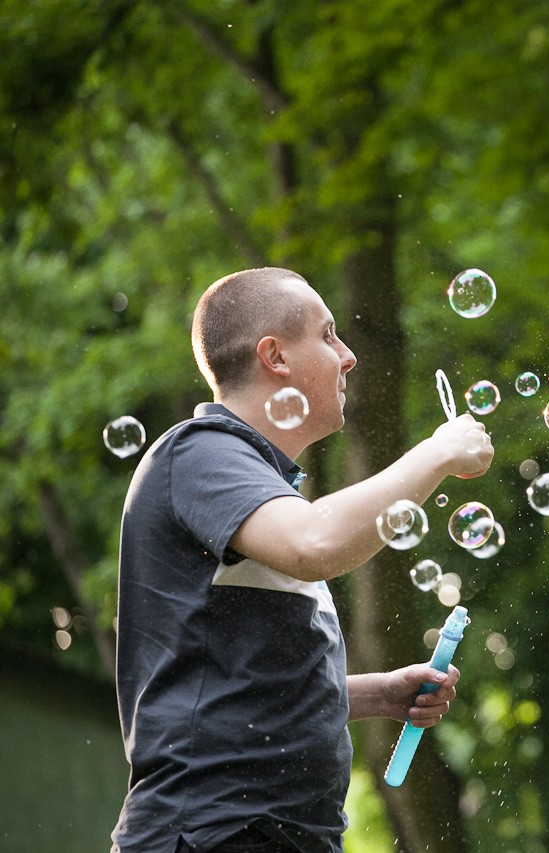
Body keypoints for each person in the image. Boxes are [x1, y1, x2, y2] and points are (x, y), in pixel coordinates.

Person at [112, 267, 494, 853]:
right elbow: (316, 545)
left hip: (282, 834)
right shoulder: (199, 453)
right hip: (214, 833)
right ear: (276, 357)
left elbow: (242, 684)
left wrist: (376, 693)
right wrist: (437, 453)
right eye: (329, 335)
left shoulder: (267, 494)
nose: (349, 357)